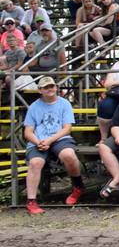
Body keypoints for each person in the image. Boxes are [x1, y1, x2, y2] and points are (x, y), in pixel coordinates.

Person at [23, 75, 84, 213]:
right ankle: (31, 201)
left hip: (60, 138)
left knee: (68, 154)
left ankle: (78, 186)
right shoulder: (34, 107)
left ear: (56, 87)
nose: (50, 89)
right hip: (39, 141)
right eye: (46, 87)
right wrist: (38, 142)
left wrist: (50, 140)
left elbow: (67, 128)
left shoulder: (65, 103)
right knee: (35, 163)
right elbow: (28, 132)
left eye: (52, 86)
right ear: (40, 90)